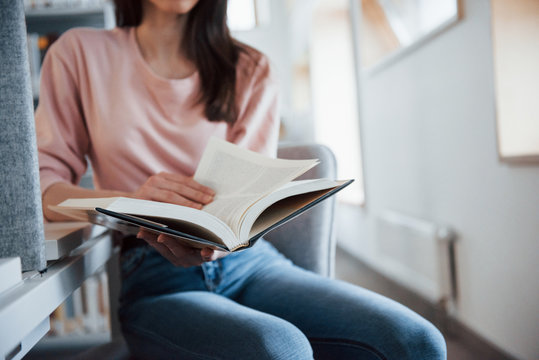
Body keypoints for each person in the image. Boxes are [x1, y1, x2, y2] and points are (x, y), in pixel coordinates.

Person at [35, 0, 447, 359]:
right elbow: (44, 189)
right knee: (279, 349)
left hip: (251, 264)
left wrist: (219, 239)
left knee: (417, 343)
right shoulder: (78, 53)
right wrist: (132, 202)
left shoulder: (250, 68)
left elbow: (246, 199)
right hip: (156, 276)